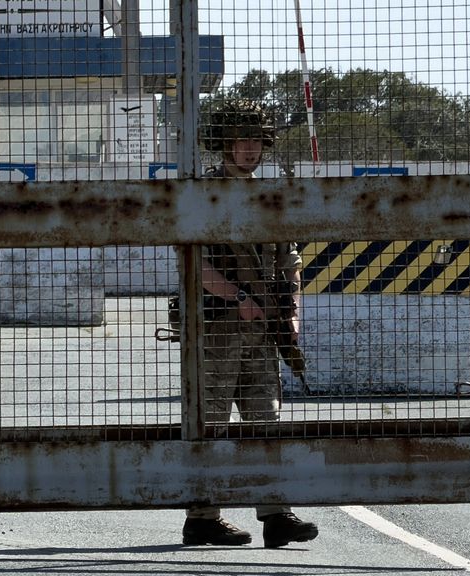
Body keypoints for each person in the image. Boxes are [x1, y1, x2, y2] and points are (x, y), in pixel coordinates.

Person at [181, 99, 319, 549]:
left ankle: (276, 515)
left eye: (255, 140)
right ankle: (202, 517)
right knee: (211, 422)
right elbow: (194, 264)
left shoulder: (270, 195)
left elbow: (289, 259)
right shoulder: (203, 193)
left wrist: (291, 309)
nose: (248, 149)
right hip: (216, 329)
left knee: (267, 421)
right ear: (223, 143)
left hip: (262, 332)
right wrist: (238, 297)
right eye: (240, 140)